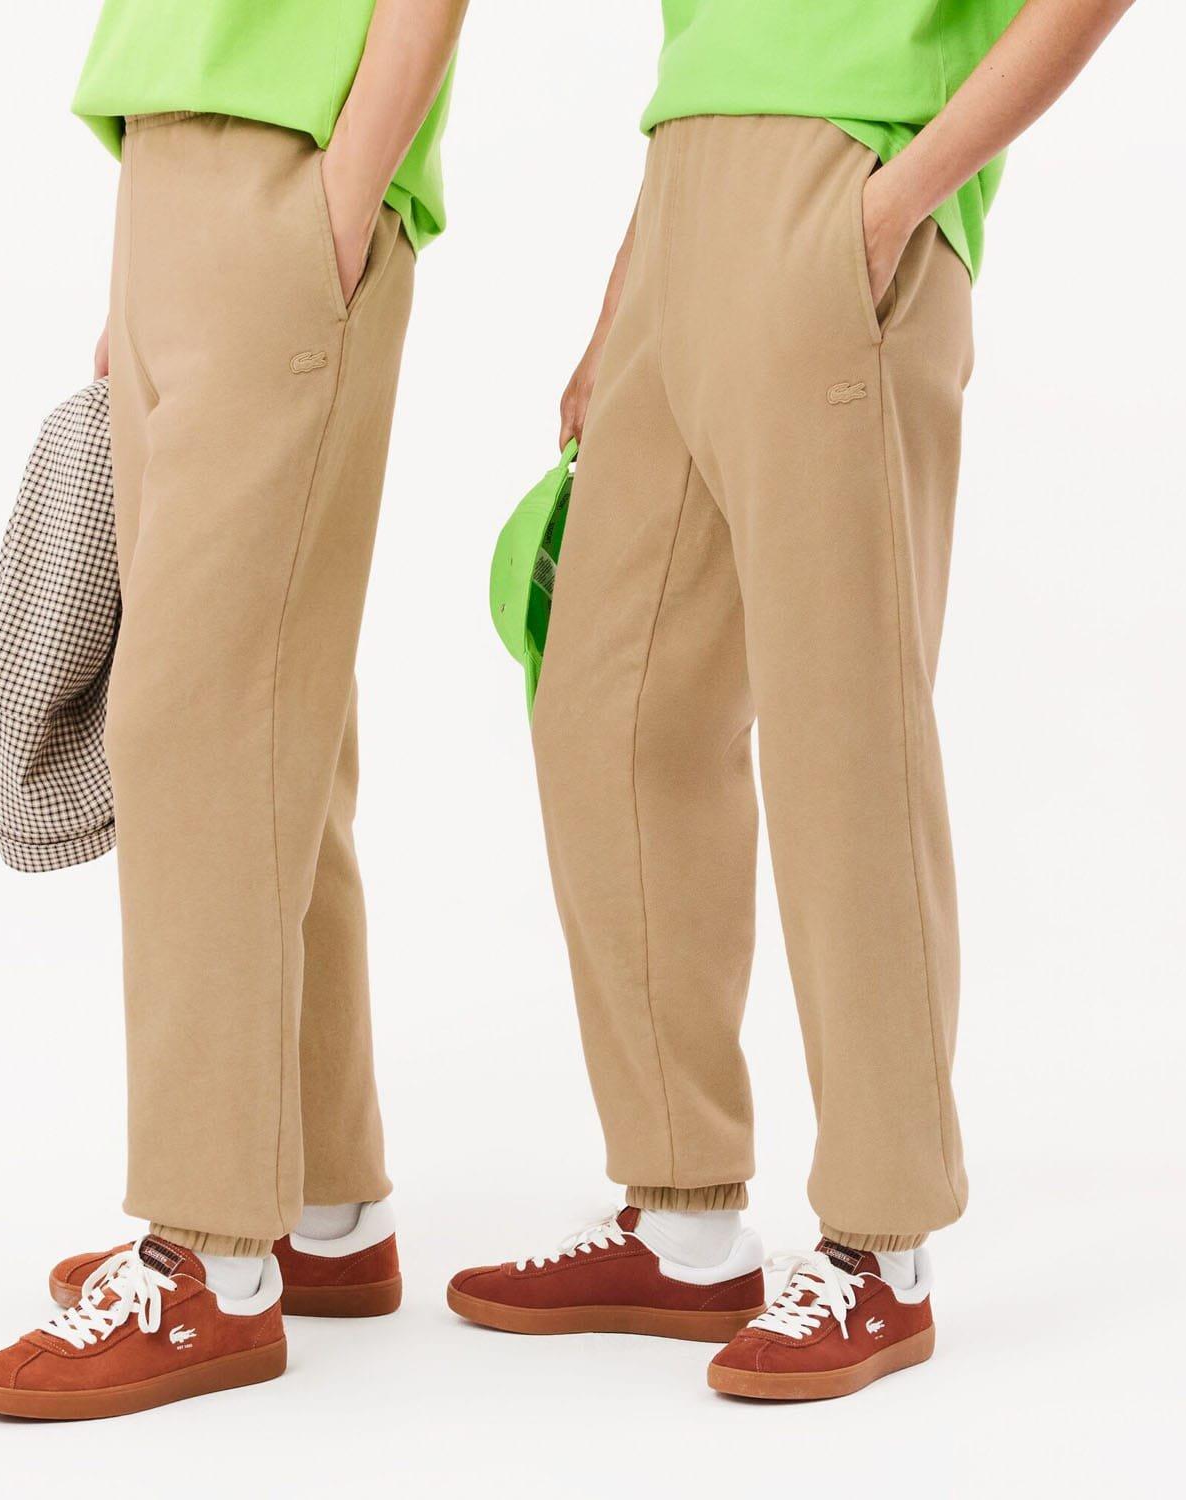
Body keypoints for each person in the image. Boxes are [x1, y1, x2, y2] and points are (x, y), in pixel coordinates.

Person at [448, 0, 1135, 1400]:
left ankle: (881, 1246)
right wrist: (628, 293)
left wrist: (896, 202)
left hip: (846, 187)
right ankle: (682, 1219)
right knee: (608, 711)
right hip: (680, 208)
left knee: (843, 730)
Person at [0, 0, 469, 1420]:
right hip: (170, 175)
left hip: (291, 172)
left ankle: (209, 1256)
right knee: (279, 724)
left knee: (197, 724)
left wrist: (341, 199)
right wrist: (150, 251)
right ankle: (323, 1209)